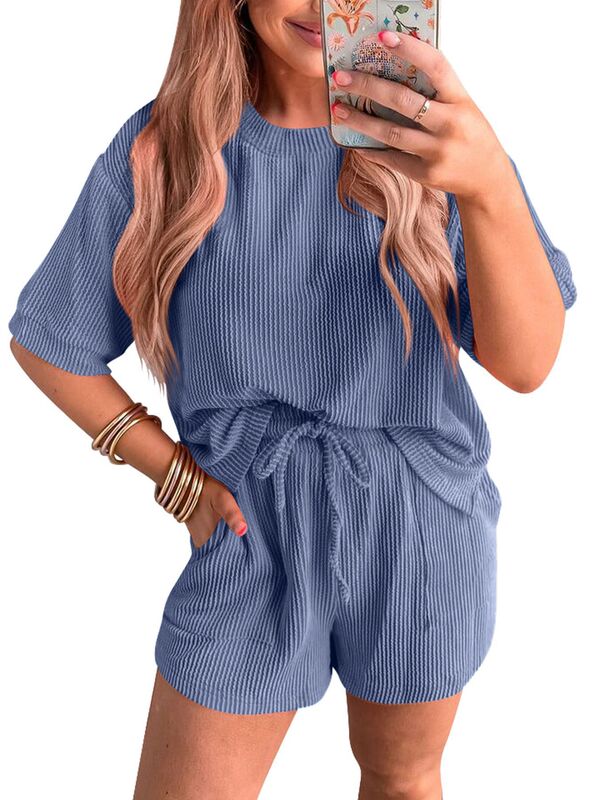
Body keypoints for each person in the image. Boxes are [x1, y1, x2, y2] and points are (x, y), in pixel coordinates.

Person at [7, 1, 577, 798]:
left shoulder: (432, 136)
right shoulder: (165, 150)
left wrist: (487, 186)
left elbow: (527, 363)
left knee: (403, 777)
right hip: (251, 533)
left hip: (418, 527)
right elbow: (49, 340)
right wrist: (176, 480)